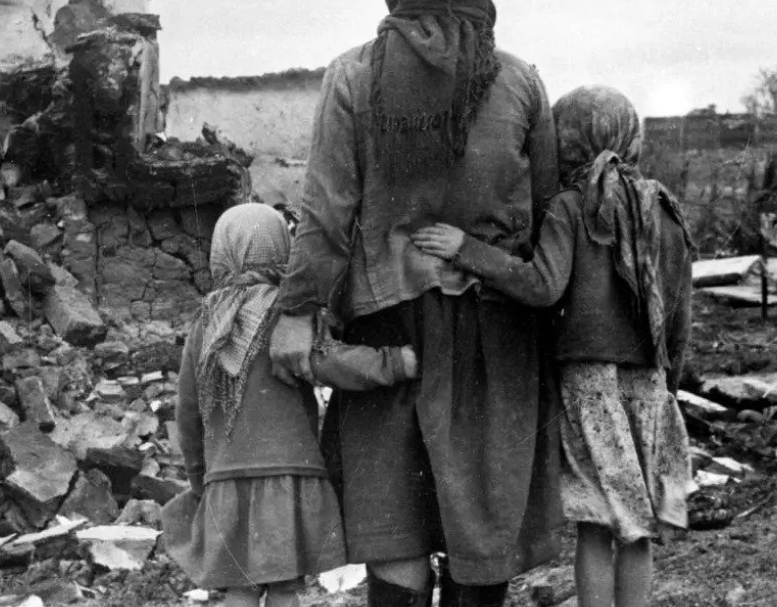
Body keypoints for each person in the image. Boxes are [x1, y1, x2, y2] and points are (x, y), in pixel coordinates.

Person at [269, 1, 562, 605]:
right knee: (481, 524)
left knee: (394, 523)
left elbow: (326, 209)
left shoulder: (352, 75)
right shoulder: (521, 81)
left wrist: (297, 311)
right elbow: (546, 210)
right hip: (496, 336)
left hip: (387, 331)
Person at [412, 85, 693, 607]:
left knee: (595, 523)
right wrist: (668, 386)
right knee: (638, 526)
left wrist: (468, 250)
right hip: (651, 385)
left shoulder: (572, 205)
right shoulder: (664, 209)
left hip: (589, 385)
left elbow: (542, 286)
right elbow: (679, 315)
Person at [163, 203, 420, 607]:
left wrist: (201, 480)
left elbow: (188, 413)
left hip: (227, 482)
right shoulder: (290, 318)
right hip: (290, 480)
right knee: (284, 589)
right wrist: (395, 362)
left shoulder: (205, 324)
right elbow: (332, 362)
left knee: (241, 588)